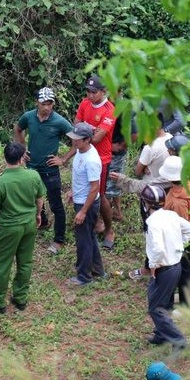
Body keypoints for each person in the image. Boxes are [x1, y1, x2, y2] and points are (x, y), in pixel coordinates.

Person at [0, 142, 46, 313]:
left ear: (5, 158)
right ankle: (20, 298)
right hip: (29, 223)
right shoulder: (33, 176)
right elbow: (40, 199)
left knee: (4, 264)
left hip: (9, 226)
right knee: (25, 262)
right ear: (22, 157)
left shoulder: (0, 182)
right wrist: (38, 214)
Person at [14, 87, 73, 251]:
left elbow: (77, 141)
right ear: (37, 103)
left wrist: (63, 159)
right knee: (32, 198)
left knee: (56, 204)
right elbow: (18, 129)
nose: (47, 107)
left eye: (50, 103)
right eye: (43, 103)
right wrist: (22, 149)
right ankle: (43, 222)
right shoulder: (29, 117)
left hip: (50, 169)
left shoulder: (59, 121)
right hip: (32, 167)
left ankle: (59, 240)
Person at [142, 185, 190, 348]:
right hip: (176, 266)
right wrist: (179, 246)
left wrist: (152, 265)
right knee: (164, 303)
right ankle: (161, 335)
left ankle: (179, 341)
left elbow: (157, 248)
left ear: (147, 204)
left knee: (155, 308)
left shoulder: (153, 222)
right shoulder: (171, 215)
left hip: (163, 269)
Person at [74, 75, 117, 249]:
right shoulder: (85, 103)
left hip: (101, 158)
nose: (90, 95)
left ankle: (109, 230)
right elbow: (76, 125)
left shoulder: (109, 109)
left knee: (100, 194)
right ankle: (94, 221)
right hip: (82, 152)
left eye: (94, 92)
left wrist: (87, 128)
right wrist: (90, 129)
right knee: (82, 188)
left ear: (103, 91)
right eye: (88, 91)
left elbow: (98, 138)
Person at [157, 156, 190, 306]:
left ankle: (186, 306)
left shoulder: (178, 201)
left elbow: (180, 224)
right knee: (189, 269)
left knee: (184, 271)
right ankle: (187, 300)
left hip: (184, 237)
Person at [65, 123, 104, 287]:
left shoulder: (92, 160)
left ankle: (84, 276)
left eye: (78, 140)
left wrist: (82, 211)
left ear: (88, 139)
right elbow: (84, 182)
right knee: (89, 237)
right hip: (81, 200)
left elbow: (95, 188)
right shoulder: (81, 151)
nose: (74, 142)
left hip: (86, 205)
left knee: (83, 241)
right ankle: (97, 270)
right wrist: (74, 192)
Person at [135, 114, 174, 182]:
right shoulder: (170, 137)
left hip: (152, 187)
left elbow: (137, 172)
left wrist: (143, 169)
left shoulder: (150, 147)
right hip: (169, 183)